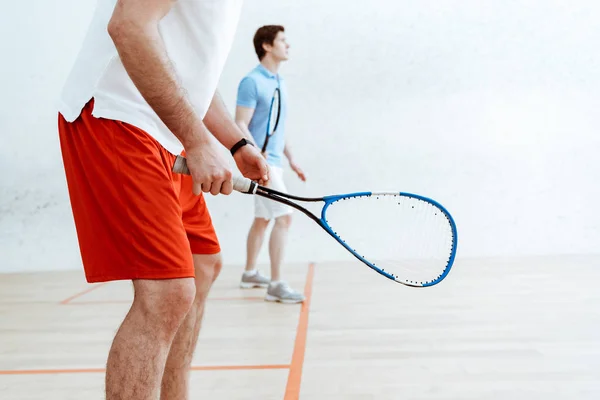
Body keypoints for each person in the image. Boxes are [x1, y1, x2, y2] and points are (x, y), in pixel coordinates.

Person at [56, 1, 268, 399]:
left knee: (202, 264)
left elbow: (188, 70)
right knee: (168, 292)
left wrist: (235, 143)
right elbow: (129, 27)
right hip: (117, 116)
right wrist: (198, 140)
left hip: (163, 129)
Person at [234, 25, 307, 304]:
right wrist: (255, 154)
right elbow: (240, 122)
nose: (288, 45)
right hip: (262, 163)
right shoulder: (251, 82)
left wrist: (292, 159)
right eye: (283, 41)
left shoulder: (279, 81)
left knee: (263, 218)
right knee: (284, 217)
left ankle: (250, 272)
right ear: (267, 46)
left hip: (275, 161)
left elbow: (277, 125)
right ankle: (276, 284)